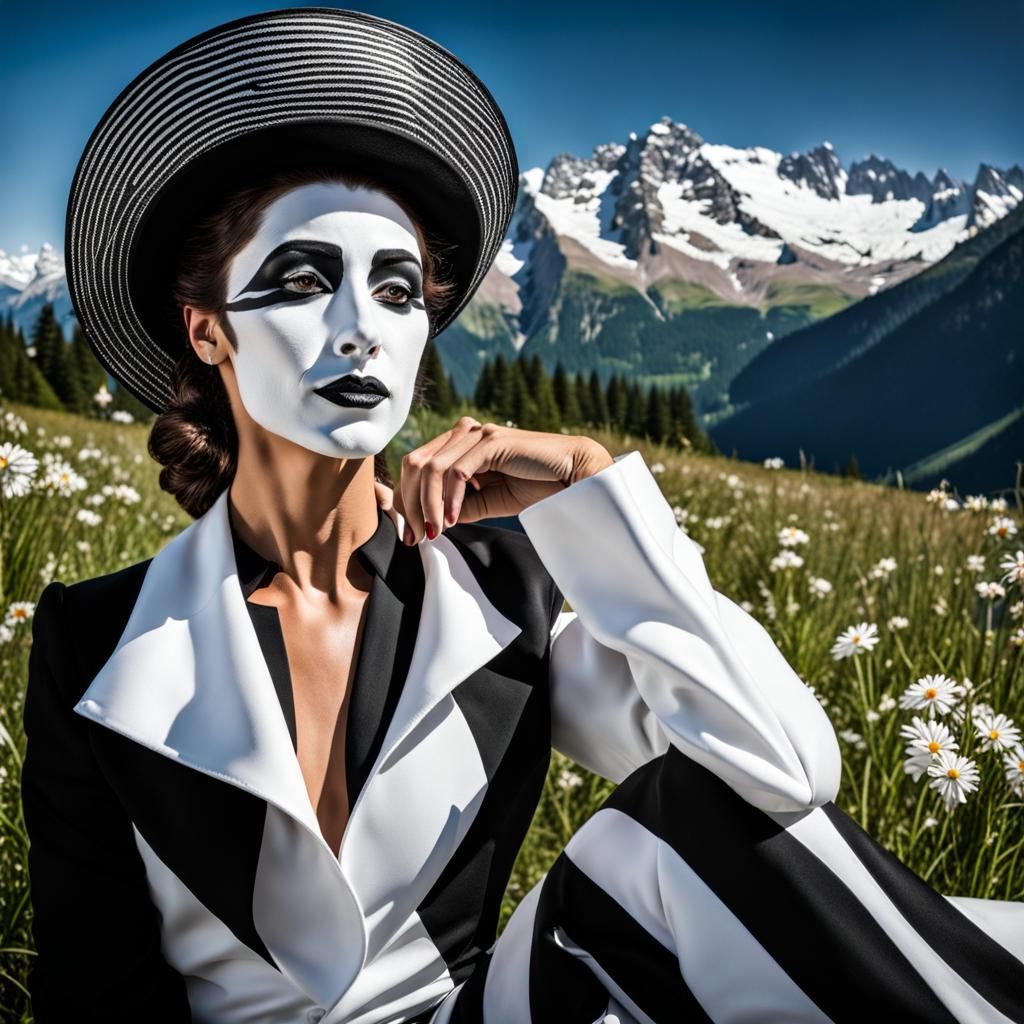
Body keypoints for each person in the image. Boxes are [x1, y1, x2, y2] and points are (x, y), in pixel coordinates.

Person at [21, 8, 1024, 1024]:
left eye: (398, 290)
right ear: (206, 331)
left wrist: (596, 491)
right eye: (303, 281)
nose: (360, 328)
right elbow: (95, 992)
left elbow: (780, 773)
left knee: (675, 816)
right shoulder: (94, 637)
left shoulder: (501, 587)